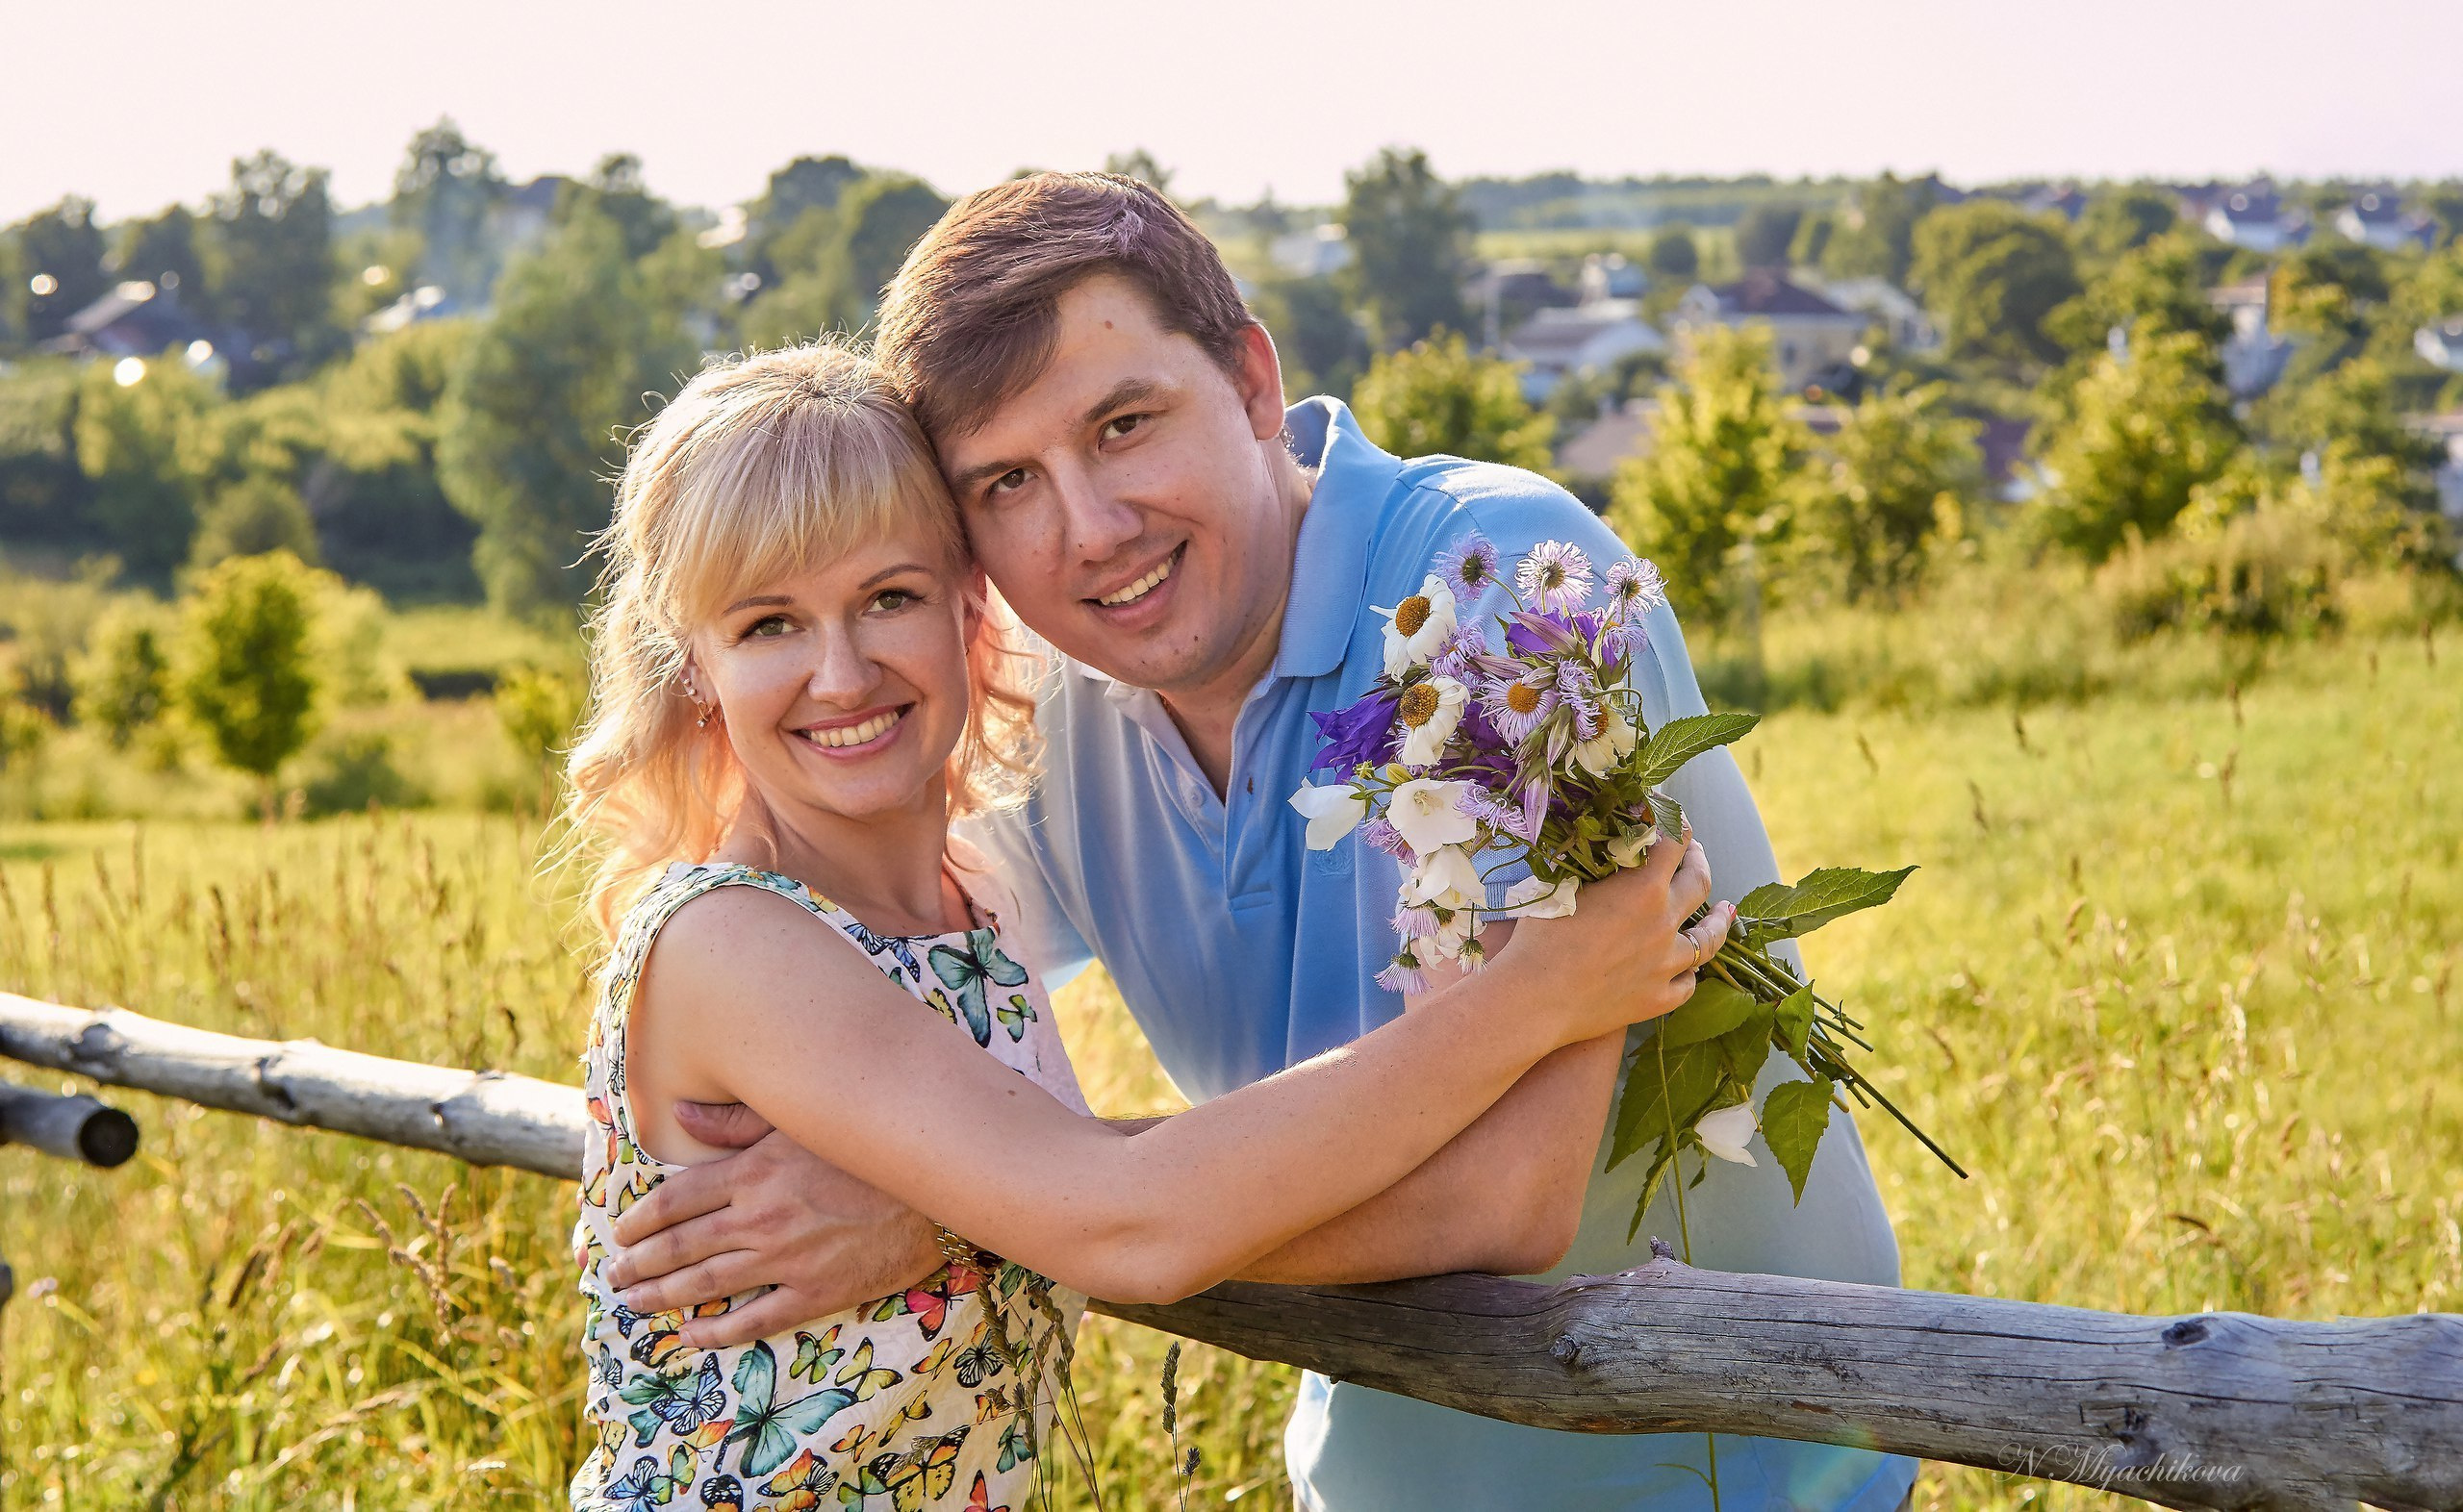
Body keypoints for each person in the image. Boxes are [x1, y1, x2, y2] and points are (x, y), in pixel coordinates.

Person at [608, 173, 1916, 1511]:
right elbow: (873, 980)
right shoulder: (1050, 717)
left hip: (1703, 1472)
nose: (1089, 530)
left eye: (1123, 426)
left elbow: (1499, 1201)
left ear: (1247, 382)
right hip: (1377, 1476)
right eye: (1009, 481)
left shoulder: (1494, 594)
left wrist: (960, 1218)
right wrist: (1011, 1197)